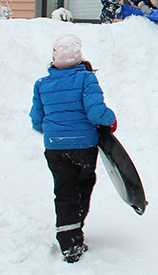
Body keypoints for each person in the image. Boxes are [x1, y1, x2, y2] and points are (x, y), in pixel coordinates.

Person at [29, 34, 117, 263]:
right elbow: (96, 113)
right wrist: (111, 120)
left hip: (55, 148)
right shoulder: (86, 79)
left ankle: (69, 239)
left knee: (64, 190)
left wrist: (55, 131)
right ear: (79, 58)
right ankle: (75, 230)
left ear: (54, 58)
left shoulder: (42, 84)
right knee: (82, 186)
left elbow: (37, 121)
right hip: (84, 146)